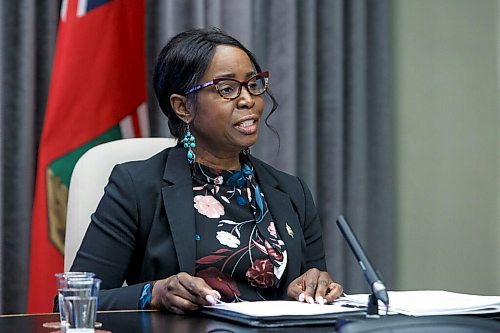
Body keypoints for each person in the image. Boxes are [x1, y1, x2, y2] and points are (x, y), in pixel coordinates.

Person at [70, 27, 343, 314]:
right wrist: (155, 293)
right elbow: (79, 299)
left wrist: (314, 286)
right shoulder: (137, 186)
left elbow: (311, 291)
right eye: (227, 89)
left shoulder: (291, 191)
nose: (247, 99)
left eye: (253, 84)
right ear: (183, 107)